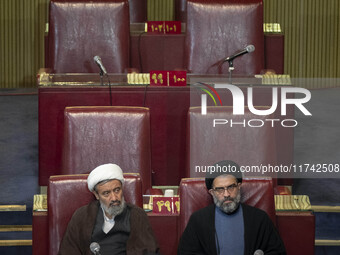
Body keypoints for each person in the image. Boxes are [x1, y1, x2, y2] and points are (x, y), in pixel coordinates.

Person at [178, 160, 286, 255]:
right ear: (212, 192)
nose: (226, 194)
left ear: (239, 186)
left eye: (231, 187)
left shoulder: (259, 218)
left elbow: (277, 251)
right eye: (220, 189)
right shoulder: (198, 220)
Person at [58, 163, 159, 255]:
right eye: (106, 193)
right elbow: (68, 250)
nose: (114, 198)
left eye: (117, 190)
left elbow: (149, 251)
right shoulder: (82, 216)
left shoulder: (136, 215)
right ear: (96, 195)